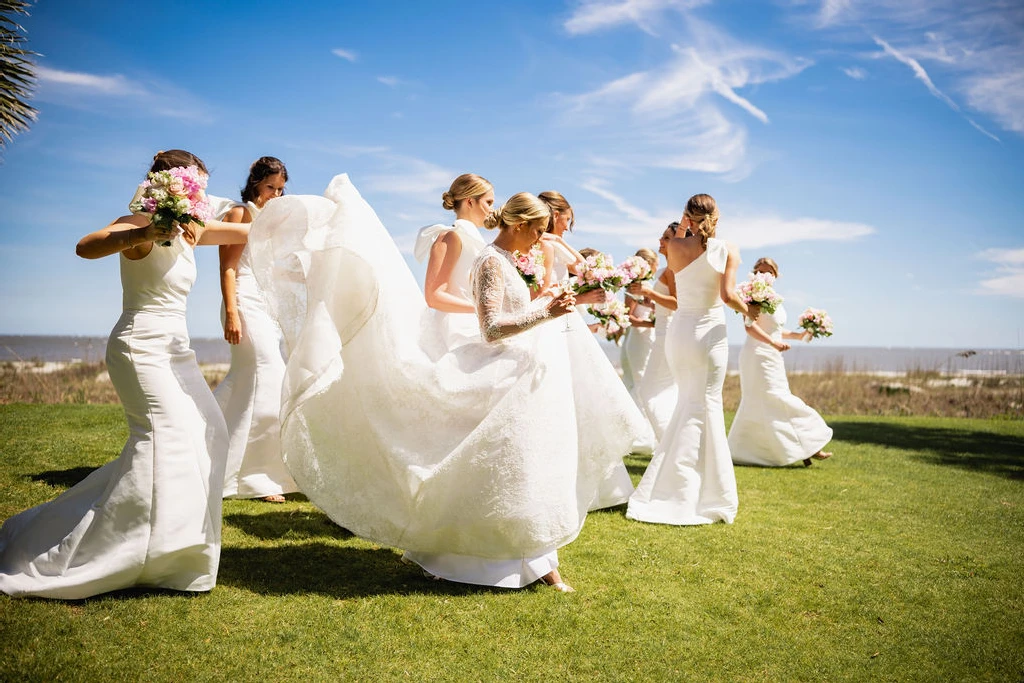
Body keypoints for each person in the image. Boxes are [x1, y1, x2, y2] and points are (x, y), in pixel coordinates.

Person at [247, 178, 620, 592]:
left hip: (520, 371)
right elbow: (492, 326)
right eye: (536, 231)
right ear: (518, 226)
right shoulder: (491, 261)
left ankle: (536, 558)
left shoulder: (507, 258)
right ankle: (483, 556)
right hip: (496, 366)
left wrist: (550, 303)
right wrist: (546, 311)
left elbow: (513, 313)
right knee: (499, 464)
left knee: (524, 467)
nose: (540, 241)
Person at [0, 150, 250, 599]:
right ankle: (121, 555)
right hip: (142, 348)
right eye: (198, 186)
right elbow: (87, 245)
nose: (205, 197)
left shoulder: (192, 230)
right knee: (161, 441)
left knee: (210, 431)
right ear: (170, 187)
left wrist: (311, 225)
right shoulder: (138, 225)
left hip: (177, 350)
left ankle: (177, 551)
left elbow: (252, 231)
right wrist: (148, 230)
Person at [626, 194, 754, 526]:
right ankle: (704, 494)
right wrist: (749, 313)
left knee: (688, 404)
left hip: (679, 334)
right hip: (708, 334)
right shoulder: (728, 249)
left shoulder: (676, 248)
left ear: (686, 216)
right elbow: (727, 297)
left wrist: (682, 229)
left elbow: (679, 283)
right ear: (717, 216)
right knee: (706, 405)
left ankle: (674, 485)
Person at [536, 191, 652, 500]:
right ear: (557, 215)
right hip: (559, 327)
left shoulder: (553, 242)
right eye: (569, 216)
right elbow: (548, 291)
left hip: (570, 326)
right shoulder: (546, 245)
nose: (571, 222)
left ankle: (602, 486)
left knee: (586, 401)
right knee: (573, 400)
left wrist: (560, 240)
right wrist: (585, 297)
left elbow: (578, 266)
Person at [213, 156, 298, 503]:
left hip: (263, 306)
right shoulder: (240, 214)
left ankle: (200, 446)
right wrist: (232, 312)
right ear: (254, 183)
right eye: (270, 188)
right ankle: (260, 477)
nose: (275, 195)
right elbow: (228, 269)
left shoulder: (271, 220)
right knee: (269, 375)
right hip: (243, 303)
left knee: (246, 381)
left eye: (280, 189)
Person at [727, 257, 834, 467]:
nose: (763, 275)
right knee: (775, 398)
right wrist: (773, 343)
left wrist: (799, 335)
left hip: (772, 355)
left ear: (775, 276)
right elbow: (749, 327)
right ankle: (810, 446)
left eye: (769, 272)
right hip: (757, 354)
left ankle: (805, 448)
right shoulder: (750, 296)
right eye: (759, 271)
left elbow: (775, 329)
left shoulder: (774, 298)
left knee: (772, 401)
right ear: (753, 273)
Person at [414, 173, 495, 353]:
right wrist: (483, 309)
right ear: (470, 202)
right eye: (488, 202)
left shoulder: (473, 239)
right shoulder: (450, 237)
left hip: (476, 324)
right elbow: (434, 296)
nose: (491, 209)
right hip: (457, 330)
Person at [628, 223, 680, 440]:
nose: (660, 240)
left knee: (650, 391)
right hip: (660, 331)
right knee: (654, 391)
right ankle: (669, 443)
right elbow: (664, 304)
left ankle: (670, 443)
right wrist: (651, 303)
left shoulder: (675, 270)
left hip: (667, 333)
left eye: (666, 238)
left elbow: (678, 304)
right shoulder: (662, 271)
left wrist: (650, 293)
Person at [620, 247, 658, 400]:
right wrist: (652, 325)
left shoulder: (646, 286)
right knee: (641, 381)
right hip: (639, 339)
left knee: (646, 381)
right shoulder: (635, 286)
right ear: (649, 264)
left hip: (647, 338)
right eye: (657, 263)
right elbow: (628, 317)